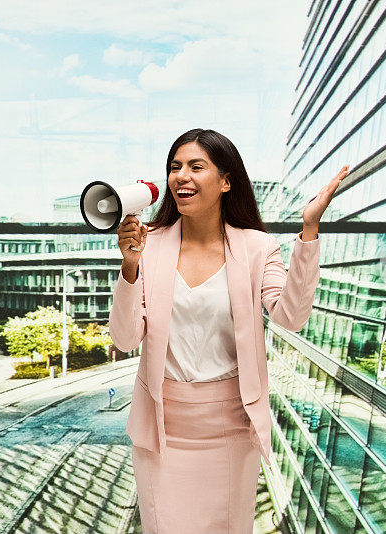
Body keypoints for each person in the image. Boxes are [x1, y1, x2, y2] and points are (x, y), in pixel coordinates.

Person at [109, 128, 348, 533]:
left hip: (230, 428)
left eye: (196, 166)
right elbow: (125, 338)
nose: (181, 176)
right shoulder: (150, 245)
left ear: (225, 180)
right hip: (162, 429)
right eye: (175, 167)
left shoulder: (257, 248)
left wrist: (309, 231)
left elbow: (290, 316)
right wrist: (130, 265)